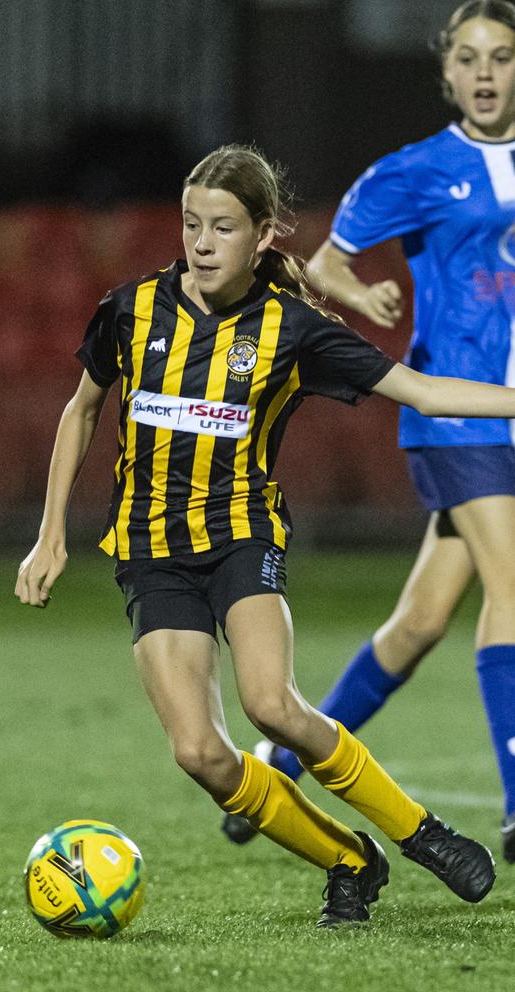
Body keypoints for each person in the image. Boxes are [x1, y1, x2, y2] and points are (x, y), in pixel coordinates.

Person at [15, 142, 506, 929]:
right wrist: (49, 536)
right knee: (202, 756)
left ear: (263, 234)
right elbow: (81, 410)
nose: (201, 243)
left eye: (222, 227)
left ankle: (421, 833)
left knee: (272, 705)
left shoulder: (294, 329)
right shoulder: (131, 309)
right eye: (189, 224)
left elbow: (418, 388)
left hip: (243, 535)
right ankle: (351, 860)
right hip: (149, 553)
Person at [221, 0, 515, 864]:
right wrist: (358, 295)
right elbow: (325, 259)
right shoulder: (418, 169)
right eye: (469, 57)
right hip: (459, 412)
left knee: (421, 620)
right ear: (446, 71)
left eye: (501, 55)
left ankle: (278, 764)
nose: (486, 72)